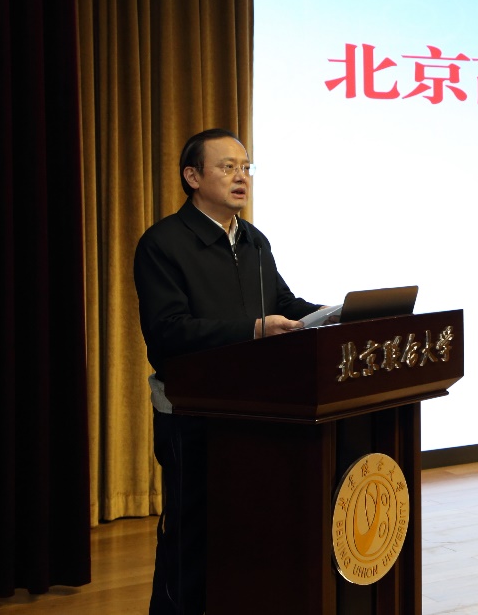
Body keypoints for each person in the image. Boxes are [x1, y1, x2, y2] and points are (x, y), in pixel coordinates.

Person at [134, 128, 324, 615]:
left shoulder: (255, 240)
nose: (241, 177)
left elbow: (285, 305)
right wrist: (255, 329)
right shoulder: (163, 243)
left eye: (246, 167)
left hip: (258, 407)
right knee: (191, 533)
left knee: (249, 529)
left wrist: (337, 314)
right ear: (192, 176)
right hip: (192, 411)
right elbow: (167, 331)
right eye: (227, 167)